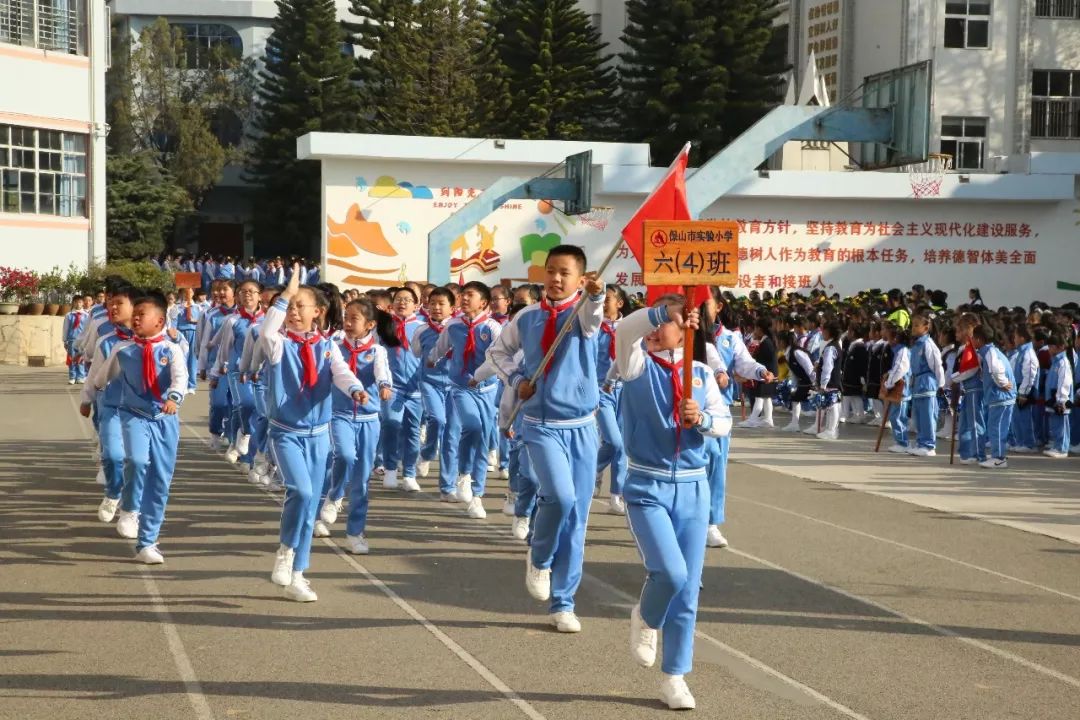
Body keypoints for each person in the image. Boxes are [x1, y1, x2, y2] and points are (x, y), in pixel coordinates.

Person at [615, 296, 730, 711]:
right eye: (659, 315)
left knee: (689, 590)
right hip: (648, 484)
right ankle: (646, 617)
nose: (660, 325)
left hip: (694, 488)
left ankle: (675, 676)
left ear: (687, 330)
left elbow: (725, 422)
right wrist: (663, 312)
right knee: (670, 572)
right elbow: (625, 330)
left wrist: (702, 419)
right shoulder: (635, 366)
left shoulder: (699, 372)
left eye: (672, 318)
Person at [487, 245, 605, 634]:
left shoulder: (584, 312)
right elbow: (498, 352)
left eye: (565, 273)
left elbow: (592, 319)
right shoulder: (527, 317)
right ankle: (539, 557)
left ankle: (564, 602)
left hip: (583, 427)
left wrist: (597, 295)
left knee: (577, 520)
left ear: (580, 277)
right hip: (539, 423)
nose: (556, 279)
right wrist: (517, 380)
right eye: (551, 270)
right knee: (560, 496)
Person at [263, 265, 366, 602]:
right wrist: (287, 294)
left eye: (299, 306)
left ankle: (298, 573)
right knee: (301, 492)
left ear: (318, 313)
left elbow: (342, 373)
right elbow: (266, 331)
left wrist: (355, 390)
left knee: (310, 507)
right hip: (286, 432)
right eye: (289, 306)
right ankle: (285, 550)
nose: (292, 311)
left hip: (319, 435)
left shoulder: (326, 346)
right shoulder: (278, 344)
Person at [81, 292, 188, 563]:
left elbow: (180, 378)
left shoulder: (171, 349)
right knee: (137, 460)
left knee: (160, 480)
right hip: (134, 415)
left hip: (164, 420)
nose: (136, 319)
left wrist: (174, 398)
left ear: (160, 320)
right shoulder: (123, 349)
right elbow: (101, 376)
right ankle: (129, 509)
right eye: (135, 314)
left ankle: (147, 542)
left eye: (143, 315)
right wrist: (91, 396)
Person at [321, 298, 392, 553]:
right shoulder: (335, 345)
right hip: (338, 413)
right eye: (346, 317)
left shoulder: (377, 351)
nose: (348, 323)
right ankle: (334, 495)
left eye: (355, 319)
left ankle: (355, 532)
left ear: (370, 324)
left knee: (362, 478)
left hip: (368, 419)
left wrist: (384, 387)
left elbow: (382, 372)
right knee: (344, 455)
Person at [428, 281, 503, 518]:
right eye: (463, 295)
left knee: (483, 438)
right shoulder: (454, 325)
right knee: (472, 426)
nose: (465, 298)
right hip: (461, 387)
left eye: (470, 295)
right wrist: (432, 359)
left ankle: (477, 496)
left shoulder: (492, 328)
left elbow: (500, 357)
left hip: (487, 390)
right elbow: (441, 348)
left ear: (483, 302)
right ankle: (463, 474)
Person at [79, 286, 136, 532]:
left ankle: (130, 512)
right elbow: (94, 375)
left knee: (137, 461)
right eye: (110, 303)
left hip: (140, 411)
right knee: (112, 455)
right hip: (111, 406)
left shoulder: (152, 339)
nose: (112, 308)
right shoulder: (106, 339)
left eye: (119, 304)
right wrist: (86, 399)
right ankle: (113, 492)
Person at [381, 286, 425, 492]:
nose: (403, 302)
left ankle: (409, 473)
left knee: (412, 431)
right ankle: (390, 468)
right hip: (393, 386)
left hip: (416, 388)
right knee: (391, 423)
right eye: (399, 299)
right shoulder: (384, 325)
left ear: (416, 305)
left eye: (408, 299)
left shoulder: (423, 326)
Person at [411, 287, 454, 479]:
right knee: (437, 419)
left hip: (454, 384)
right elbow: (417, 353)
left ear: (452, 308)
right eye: (432, 303)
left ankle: (449, 483)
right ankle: (427, 452)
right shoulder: (422, 329)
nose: (436, 307)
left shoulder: (457, 328)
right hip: (430, 382)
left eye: (441, 304)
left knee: (452, 432)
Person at [596, 286, 628, 515]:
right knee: (614, 441)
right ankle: (593, 471)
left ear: (620, 304)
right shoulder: (594, 326)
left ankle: (616, 494)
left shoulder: (629, 328)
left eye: (608, 299)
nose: (604, 303)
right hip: (600, 389)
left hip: (625, 389)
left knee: (621, 445)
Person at [971, 325, 1015, 468]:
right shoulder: (988, 351)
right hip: (998, 397)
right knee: (995, 426)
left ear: (978, 339)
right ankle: (997, 455)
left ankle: (999, 458)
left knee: (998, 428)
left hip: (1001, 397)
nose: (971, 340)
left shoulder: (990, 352)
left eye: (973, 337)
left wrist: (1002, 383)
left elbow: (997, 370)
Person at [907, 314, 945, 457]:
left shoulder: (929, 344)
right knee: (919, 416)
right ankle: (921, 442)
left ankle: (929, 445)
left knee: (928, 415)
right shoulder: (916, 345)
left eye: (917, 325)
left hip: (927, 384)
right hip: (917, 384)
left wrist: (940, 384)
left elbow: (937, 366)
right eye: (913, 325)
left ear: (926, 327)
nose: (913, 328)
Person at [738, 317, 778, 428]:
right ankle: (768, 419)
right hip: (769, 373)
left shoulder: (766, 343)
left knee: (760, 397)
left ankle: (753, 419)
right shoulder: (767, 341)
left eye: (756, 328)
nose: (754, 331)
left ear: (760, 329)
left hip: (766, 374)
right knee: (766, 398)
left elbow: (763, 360)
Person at [882, 323, 912, 453]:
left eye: (888, 336)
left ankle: (903, 442)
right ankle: (901, 441)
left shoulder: (902, 351)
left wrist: (889, 383)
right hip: (899, 388)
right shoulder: (898, 350)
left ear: (895, 338)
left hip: (901, 389)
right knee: (896, 415)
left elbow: (900, 368)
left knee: (897, 416)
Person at [1009, 324, 1039, 453]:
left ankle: (1029, 444)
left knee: (1025, 418)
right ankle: (1020, 441)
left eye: (1015, 337)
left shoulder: (1029, 353)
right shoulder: (1021, 352)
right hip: (1018, 389)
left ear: (1022, 338)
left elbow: (1029, 375)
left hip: (1024, 392)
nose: (1014, 339)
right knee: (1017, 418)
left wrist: (1023, 393)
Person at [1042, 332, 1073, 458]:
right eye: (1049, 346)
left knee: (1061, 425)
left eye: (1052, 346)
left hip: (1059, 400)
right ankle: (1057, 445)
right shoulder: (1055, 362)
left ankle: (1062, 449)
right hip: (1053, 399)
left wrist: (1061, 400)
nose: (1049, 349)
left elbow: (1064, 382)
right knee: (1055, 424)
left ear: (1060, 347)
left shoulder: (1063, 363)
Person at [813, 321, 844, 440]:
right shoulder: (834, 345)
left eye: (823, 330)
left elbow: (828, 367)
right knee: (831, 406)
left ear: (828, 331)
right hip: (834, 380)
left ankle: (831, 430)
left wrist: (823, 383)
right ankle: (831, 429)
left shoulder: (831, 347)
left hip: (831, 381)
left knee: (832, 405)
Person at [63, 296, 90, 384]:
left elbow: (88, 329)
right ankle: (72, 376)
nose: (78, 304)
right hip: (72, 339)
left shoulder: (86, 315)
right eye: (76, 302)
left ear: (83, 303)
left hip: (82, 340)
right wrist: (65, 340)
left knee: (81, 358)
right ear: (73, 303)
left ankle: (81, 376)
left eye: (80, 302)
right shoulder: (69, 315)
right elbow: (65, 328)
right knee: (71, 358)